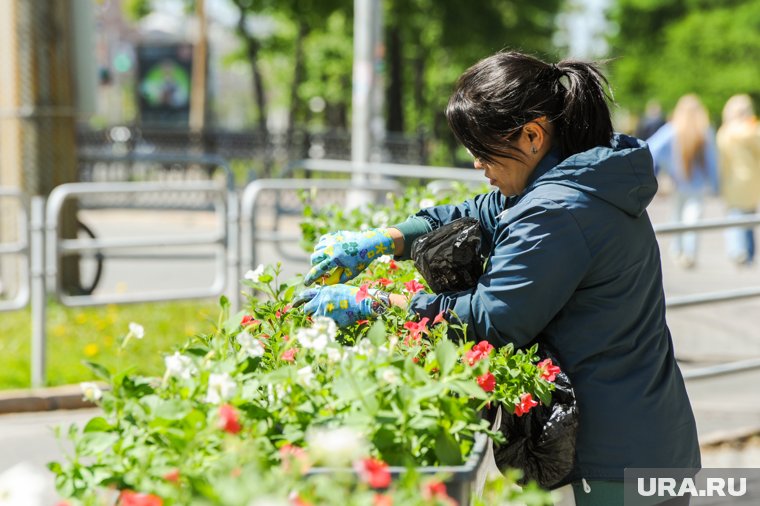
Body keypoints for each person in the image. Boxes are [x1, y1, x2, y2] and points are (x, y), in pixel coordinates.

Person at [295, 50, 700, 505]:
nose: (475, 163)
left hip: (611, 461)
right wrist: (385, 239)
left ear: (531, 135)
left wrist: (377, 305)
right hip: (647, 437)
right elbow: (477, 214)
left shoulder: (558, 210)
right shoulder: (581, 176)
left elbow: (493, 320)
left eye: (482, 149)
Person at [646, 94, 719, 269]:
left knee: (677, 217)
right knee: (693, 219)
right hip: (698, 186)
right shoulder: (705, 131)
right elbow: (712, 162)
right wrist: (716, 186)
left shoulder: (672, 129)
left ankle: (676, 251)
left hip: (678, 183)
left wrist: (664, 169)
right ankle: (689, 254)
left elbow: (651, 148)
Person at [716, 94, 760, 266]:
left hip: (733, 179)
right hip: (752, 180)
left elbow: (722, 160)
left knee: (735, 216)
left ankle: (738, 250)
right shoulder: (754, 131)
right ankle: (748, 251)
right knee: (749, 215)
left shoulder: (725, 132)